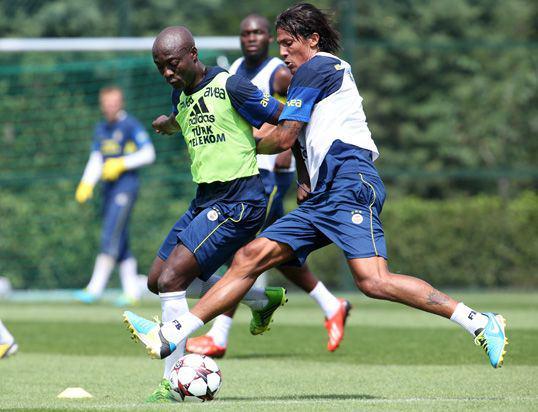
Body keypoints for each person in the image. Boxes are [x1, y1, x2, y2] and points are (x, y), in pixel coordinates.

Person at [125, 4, 508, 370]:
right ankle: (173, 333)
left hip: (351, 183)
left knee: (373, 281)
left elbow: (285, 135)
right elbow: (299, 135)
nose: (282, 53)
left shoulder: (317, 67)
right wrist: (305, 177)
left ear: (312, 40)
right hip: (325, 193)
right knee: (249, 258)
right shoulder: (308, 74)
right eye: (280, 44)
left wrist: (232, 143)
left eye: (288, 43)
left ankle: (478, 321)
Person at [123, 26, 289, 402]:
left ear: (193, 55)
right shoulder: (180, 92)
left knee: (173, 280)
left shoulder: (232, 85)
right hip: (205, 199)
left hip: (239, 200)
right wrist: (169, 123)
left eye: (172, 64)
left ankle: (171, 385)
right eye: (160, 67)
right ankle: (260, 299)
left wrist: (292, 160)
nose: (167, 72)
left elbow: (283, 116)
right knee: (156, 280)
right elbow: (185, 116)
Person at [186, 13, 351, 359]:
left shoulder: (280, 72)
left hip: (270, 175)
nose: (251, 38)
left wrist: (296, 166)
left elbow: (296, 120)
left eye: (259, 33)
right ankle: (330, 304)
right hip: (244, 173)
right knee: (272, 251)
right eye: (246, 33)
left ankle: (219, 334)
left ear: (268, 39)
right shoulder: (233, 70)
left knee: (241, 250)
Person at [74, 87, 156, 307]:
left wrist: (122, 163)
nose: (110, 107)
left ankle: (95, 288)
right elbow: (96, 158)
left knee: (110, 234)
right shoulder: (101, 128)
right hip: (108, 190)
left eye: (114, 102)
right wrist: (86, 183)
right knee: (121, 240)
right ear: (102, 105)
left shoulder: (130, 125)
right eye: (106, 103)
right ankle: (132, 292)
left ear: (121, 103)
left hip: (126, 188)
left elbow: (149, 154)